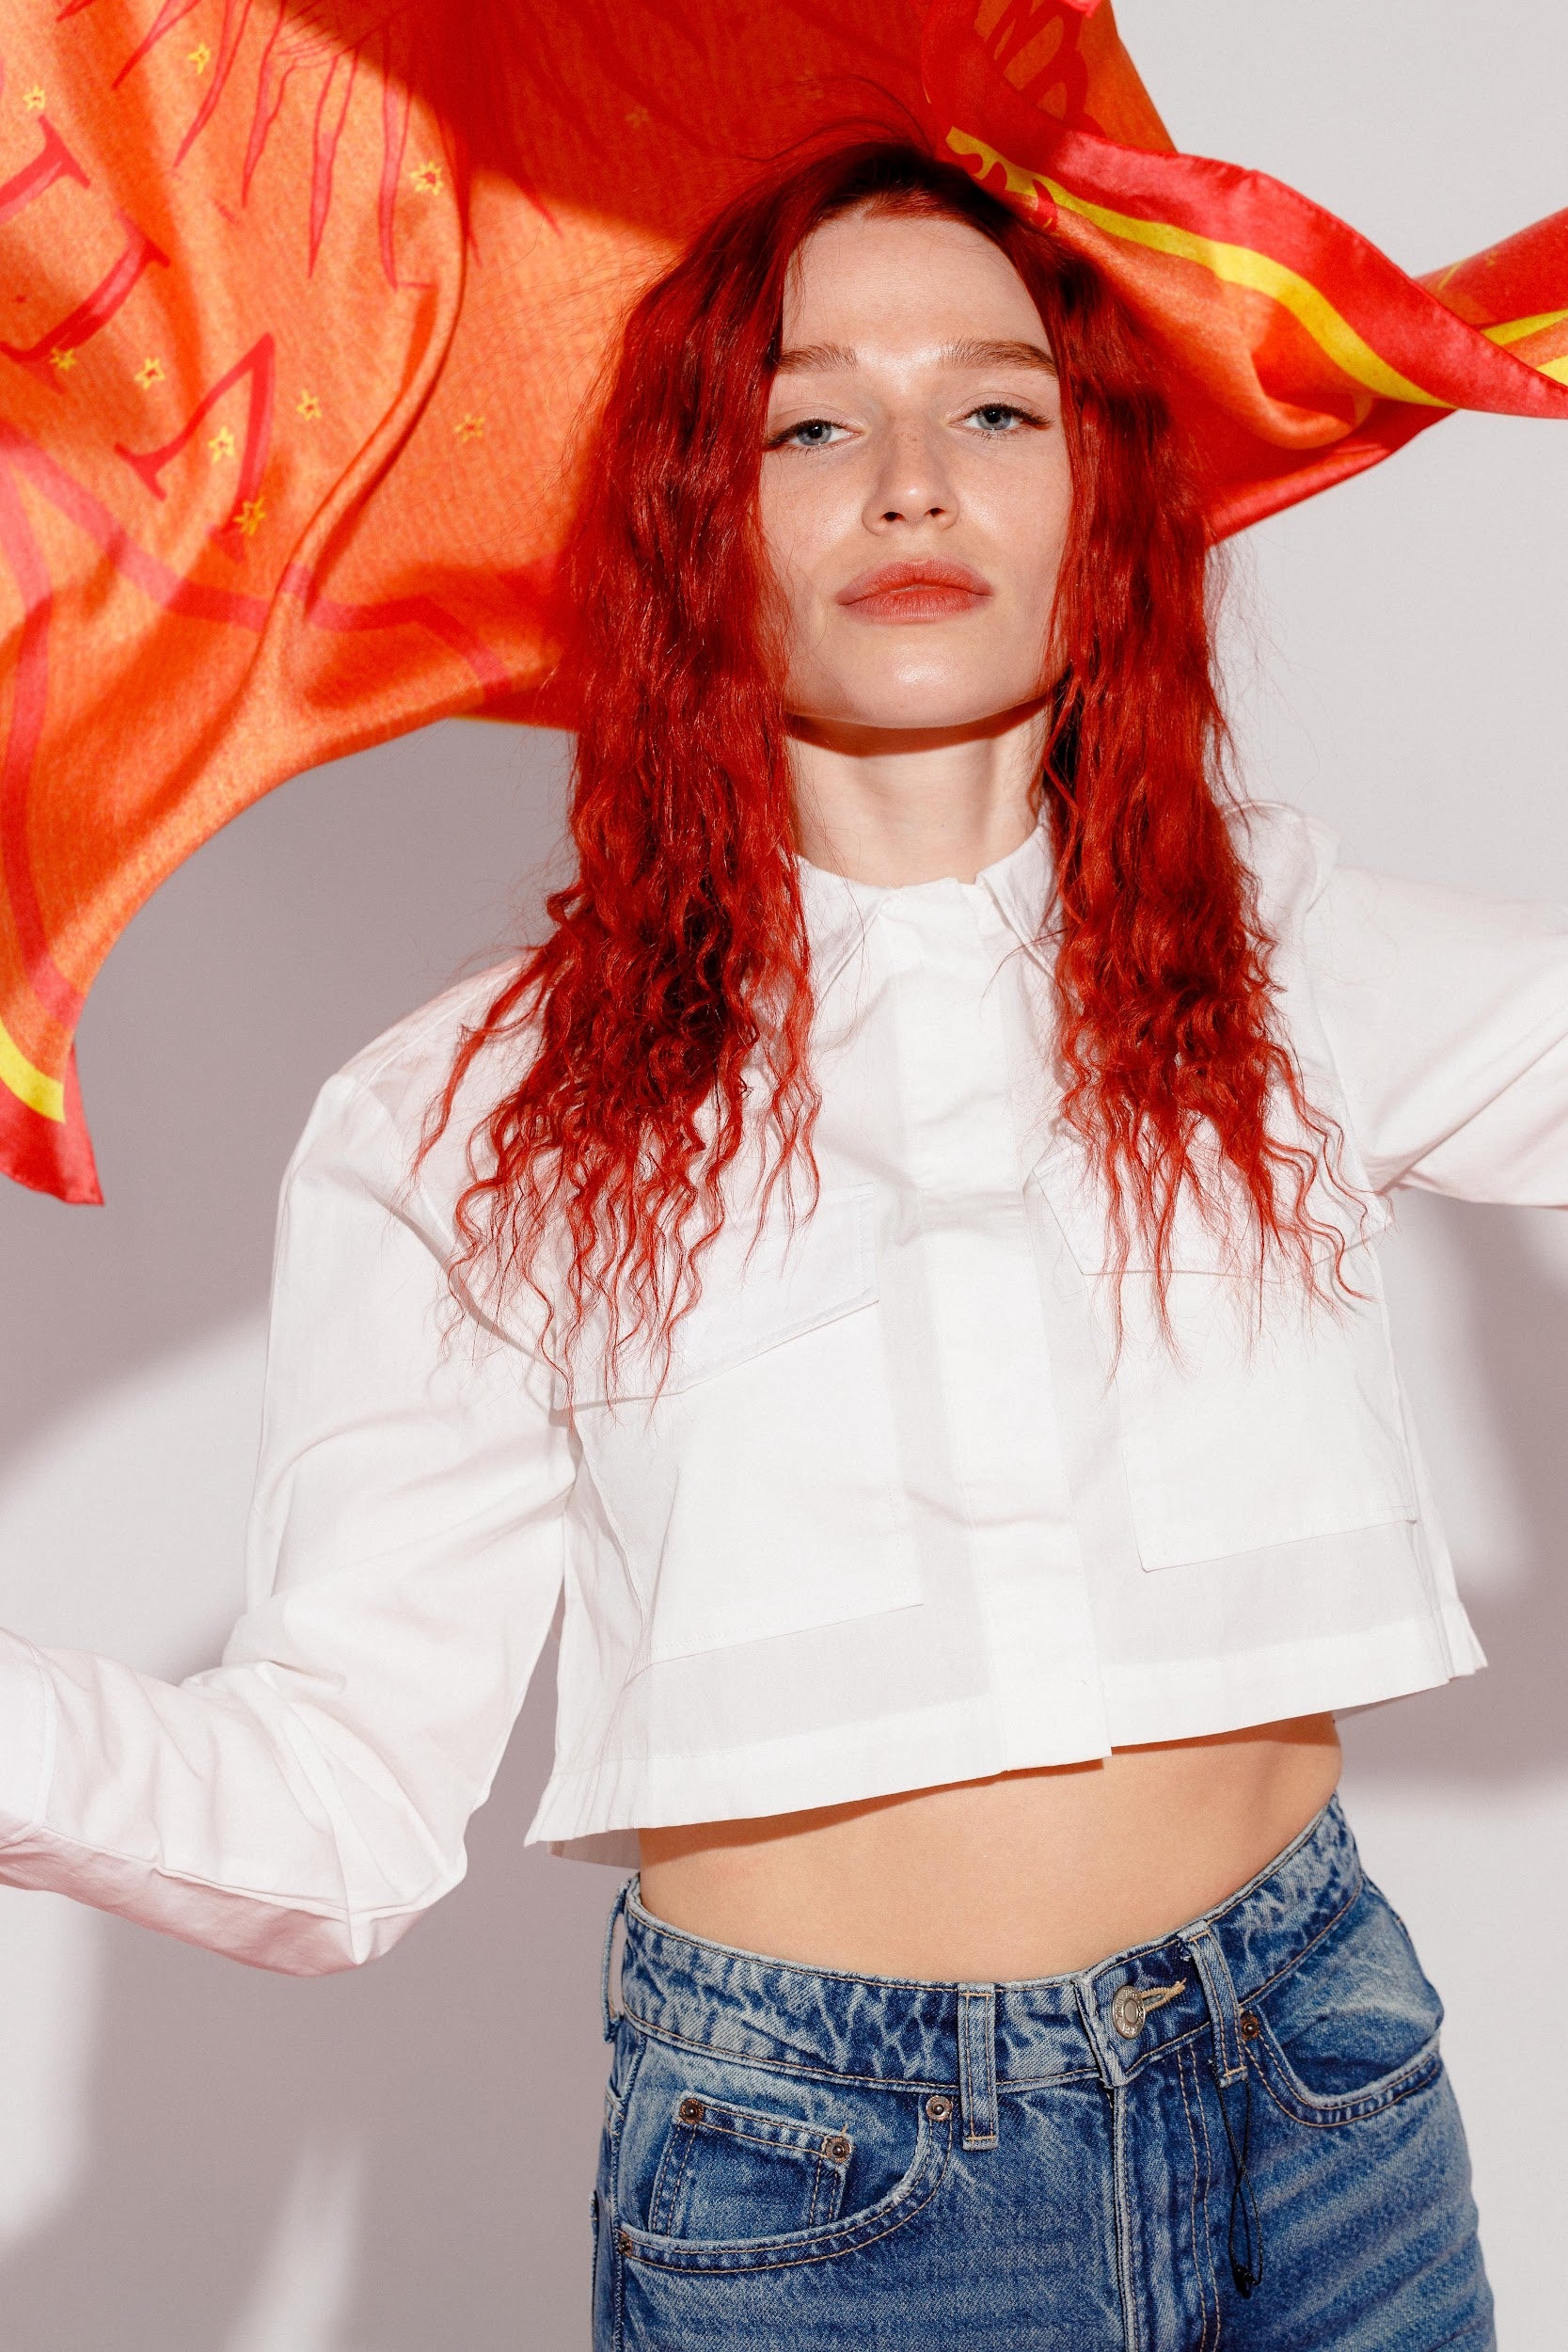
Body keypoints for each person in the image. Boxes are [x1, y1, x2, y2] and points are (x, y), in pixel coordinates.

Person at [2, 137, 1560, 2347]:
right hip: (823, 2197)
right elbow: (330, 1804)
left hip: (1324, 2101)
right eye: (809, 421)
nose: (911, 480)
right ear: (689, 527)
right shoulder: (461, 1120)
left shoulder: (1293, 955)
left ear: (1102, 503)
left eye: (996, 409)